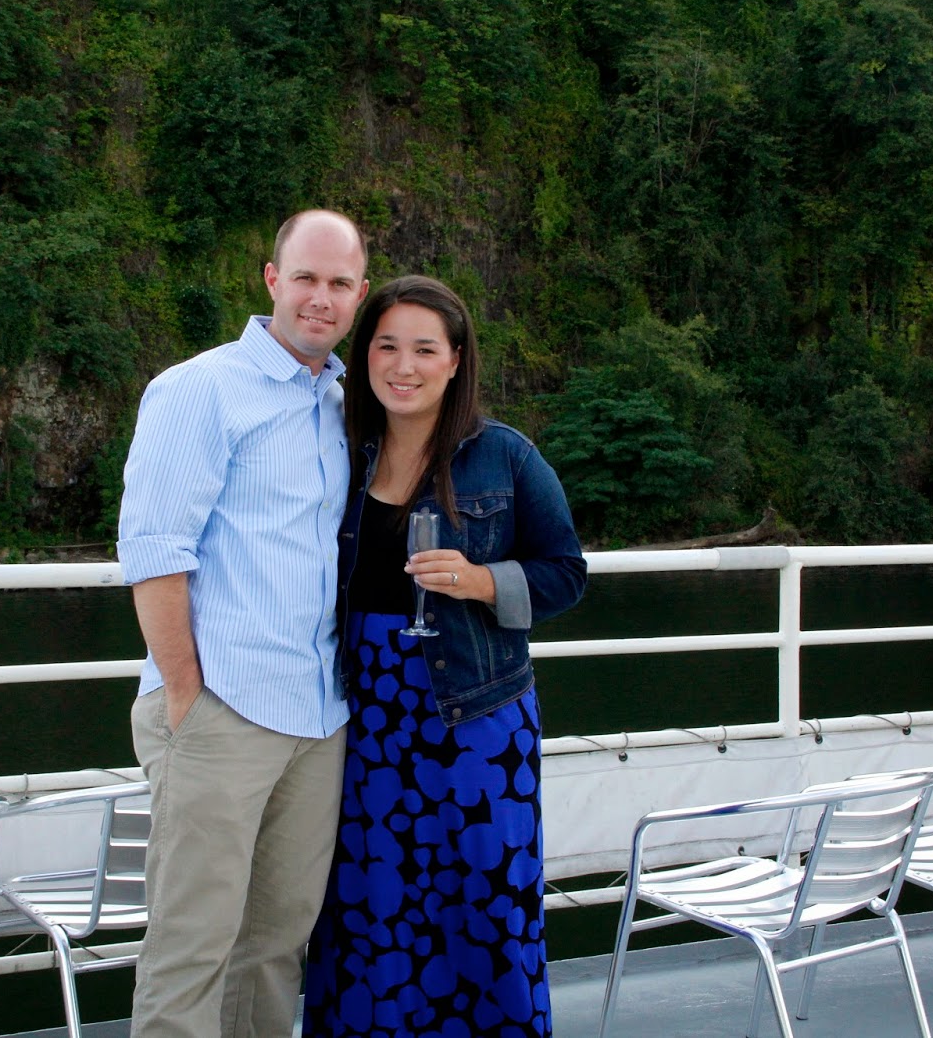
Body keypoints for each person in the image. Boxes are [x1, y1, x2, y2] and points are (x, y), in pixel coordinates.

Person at [302, 275, 588, 1037]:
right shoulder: (338, 452)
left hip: (477, 718)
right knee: (370, 904)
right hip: (365, 717)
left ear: (456, 360)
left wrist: (482, 580)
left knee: (485, 902)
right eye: (387, 346)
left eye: (425, 349)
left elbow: (566, 573)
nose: (404, 366)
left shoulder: (505, 456)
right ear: (364, 355)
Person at [117, 209, 369, 1037]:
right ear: (271, 280)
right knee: (192, 946)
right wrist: (186, 696)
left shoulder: (343, 404)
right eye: (306, 278)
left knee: (274, 947)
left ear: (359, 295)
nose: (321, 298)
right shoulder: (201, 388)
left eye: (339, 283)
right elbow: (154, 550)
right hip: (221, 709)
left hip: (317, 716)